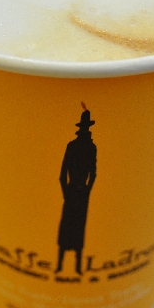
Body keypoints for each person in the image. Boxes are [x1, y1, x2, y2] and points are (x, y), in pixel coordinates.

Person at [55, 104, 97, 275]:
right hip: (74, 191)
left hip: (79, 192)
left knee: (79, 227)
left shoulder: (91, 148)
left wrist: (87, 190)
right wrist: (67, 191)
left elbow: (93, 173)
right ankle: (60, 265)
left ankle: (77, 267)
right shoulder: (72, 146)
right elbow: (63, 172)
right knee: (67, 226)